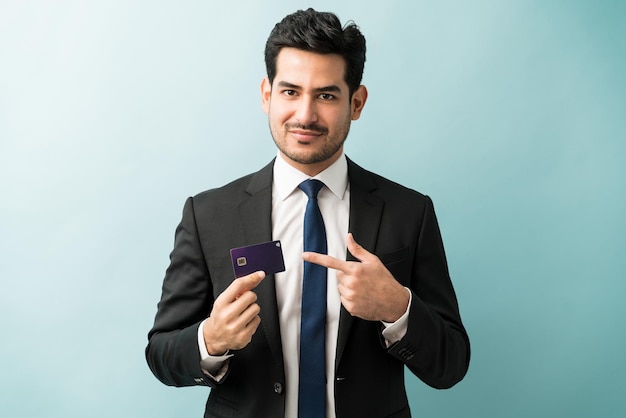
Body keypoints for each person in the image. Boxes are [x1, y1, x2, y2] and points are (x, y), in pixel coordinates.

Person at [146, 8, 470, 418]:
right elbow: (160, 353)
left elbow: (452, 364)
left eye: (327, 95)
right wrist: (210, 339)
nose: (305, 115)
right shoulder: (208, 214)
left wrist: (397, 308)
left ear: (357, 102)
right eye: (290, 92)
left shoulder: (410, 212)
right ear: (267, 95)